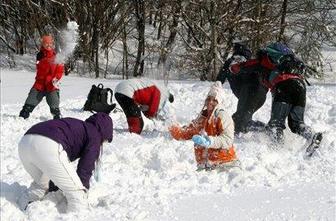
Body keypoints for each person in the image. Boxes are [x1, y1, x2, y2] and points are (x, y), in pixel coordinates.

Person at [230, 42, 322, 149]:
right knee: (296, 124)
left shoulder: (263, 60)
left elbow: (245, 66)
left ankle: (277, 150)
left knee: (276, 124)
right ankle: (312, 136)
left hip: (284, 86)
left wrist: (235, 67)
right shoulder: (289, 61)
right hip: (300, 87)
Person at [17, 113, 113, 212]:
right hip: (48, 145)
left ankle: (20, 209)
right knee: (77, 194)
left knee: (42, 184)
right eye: (105, 140)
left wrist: (56, 186)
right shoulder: (94, 135)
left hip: (25, 143)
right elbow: (86, 166)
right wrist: (82, 188)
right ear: (105, 132)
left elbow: (55, 171)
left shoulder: (78, 126)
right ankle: (77, 216)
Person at [169, 81, 239, 171]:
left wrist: (210, 141)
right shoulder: (201, 119)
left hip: (226, 165)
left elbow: (227, 140)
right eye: (208, 99)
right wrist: (170, 124)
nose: (210, 102)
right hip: (205, 168)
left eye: (214, 100)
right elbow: (184, 134)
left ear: (219, 103)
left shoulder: (222, 116)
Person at [217, 42, 268, 134]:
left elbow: (219, 80)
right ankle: (264, 129)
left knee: (240, 124)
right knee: (236, 121)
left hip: (250, 93)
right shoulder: (250, 63)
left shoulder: (231, 63)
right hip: (260, 95)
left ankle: (267, 130)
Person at [19, 35, 64, 120]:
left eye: (50, 43)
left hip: (51, 84)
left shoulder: (57, 56)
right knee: (29, 103)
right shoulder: (39, 55)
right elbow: (40, 70)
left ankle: (57, 118)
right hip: (40, 84)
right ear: (42, 44)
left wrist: (55, 79)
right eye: (46, 43)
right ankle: (22, 118)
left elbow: (60, 71)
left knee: (54, 105)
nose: (49, 45)